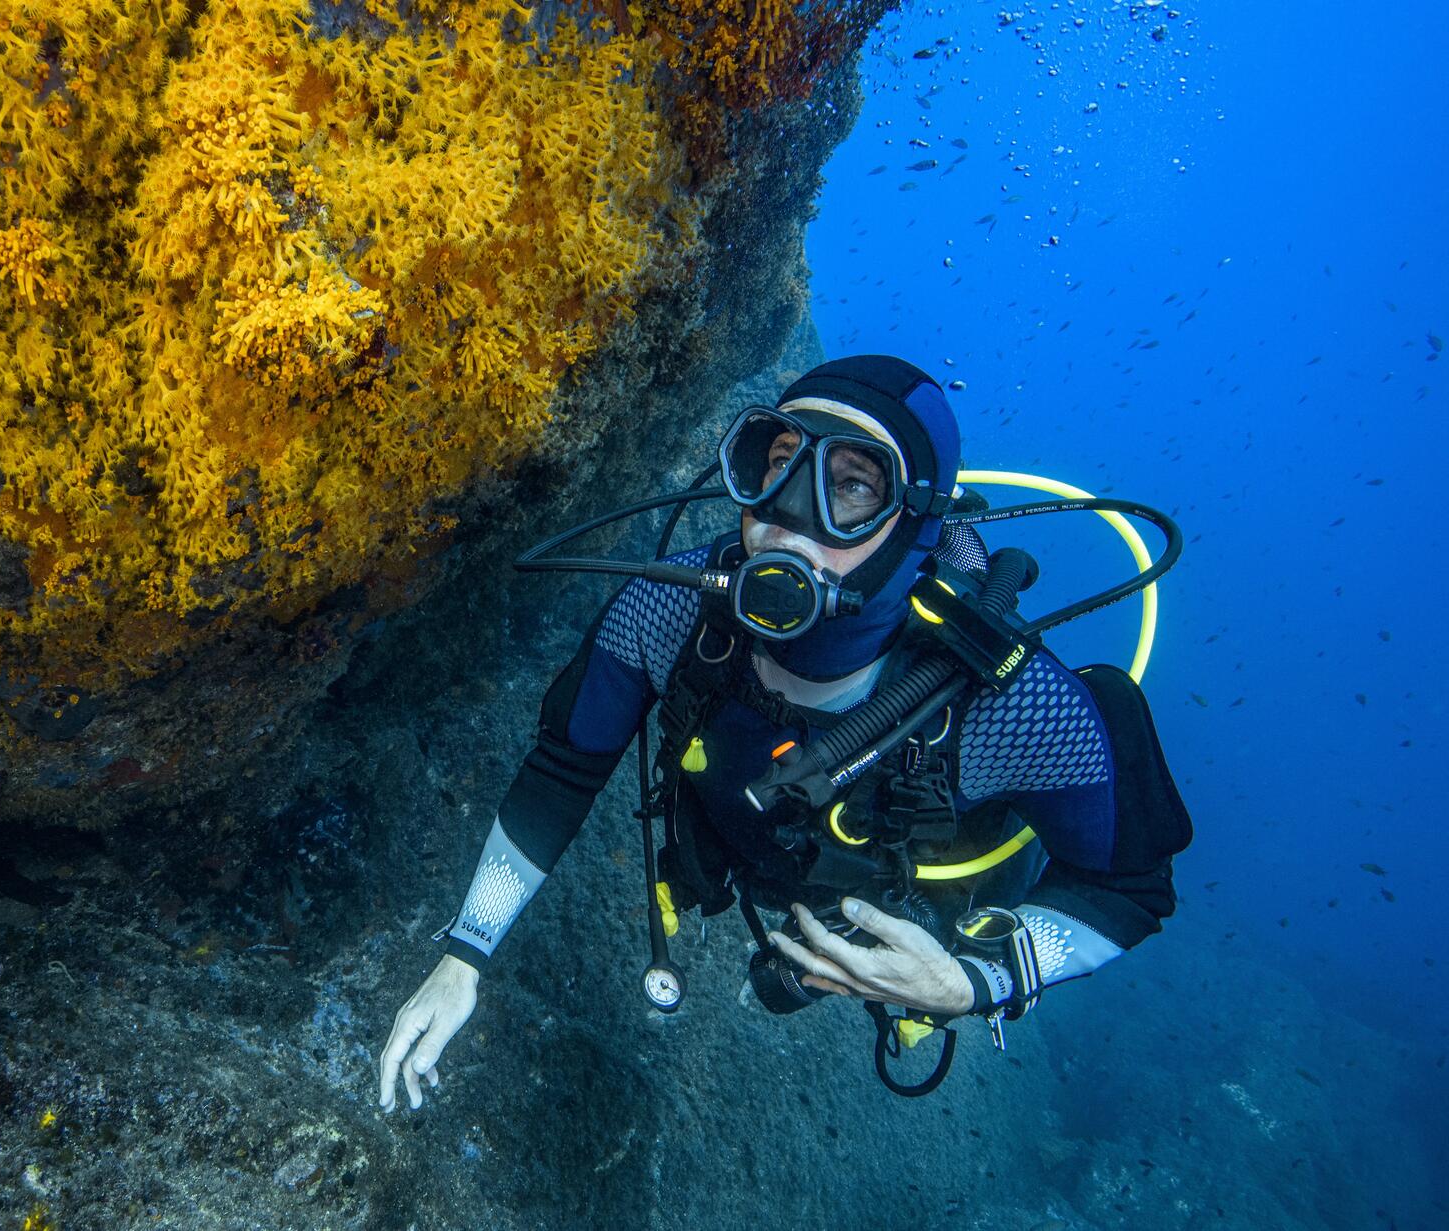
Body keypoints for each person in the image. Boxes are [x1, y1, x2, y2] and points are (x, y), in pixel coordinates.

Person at [377, 354, 1192, 1111]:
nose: (788, 519)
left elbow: (1128, 888)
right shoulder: (668, 612)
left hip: (932, 923)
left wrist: (973, 981)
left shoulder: (1010, 704)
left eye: (853, 484)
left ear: (916, 521)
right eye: (778, 465)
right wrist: (465, 952)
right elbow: (563, 769)